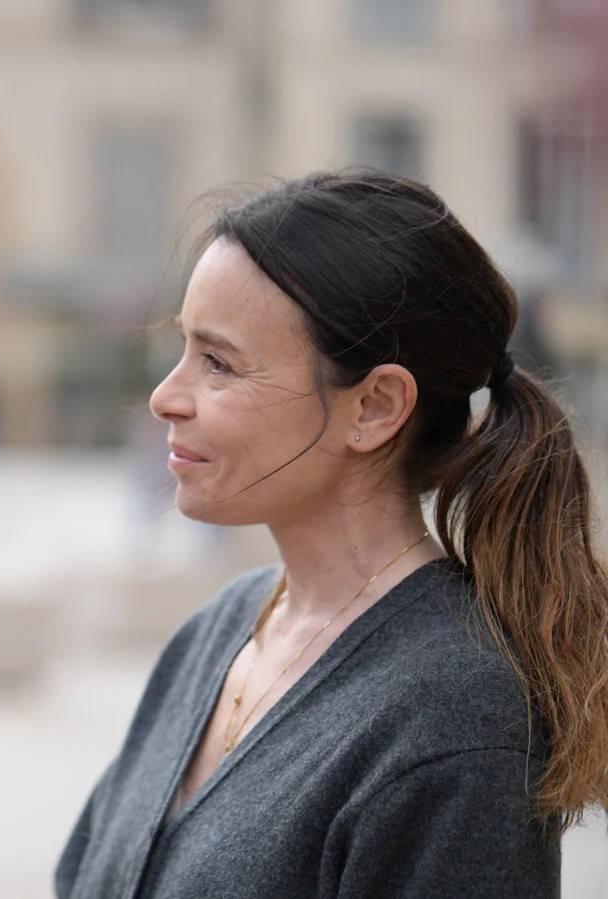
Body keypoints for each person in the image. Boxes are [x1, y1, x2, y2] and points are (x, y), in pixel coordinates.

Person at [55, 170, 608, 898]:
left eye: (218, 362)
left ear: (375, 406)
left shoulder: (454, 719)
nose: (165, 396)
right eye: (183, 348)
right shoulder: (218, 632)